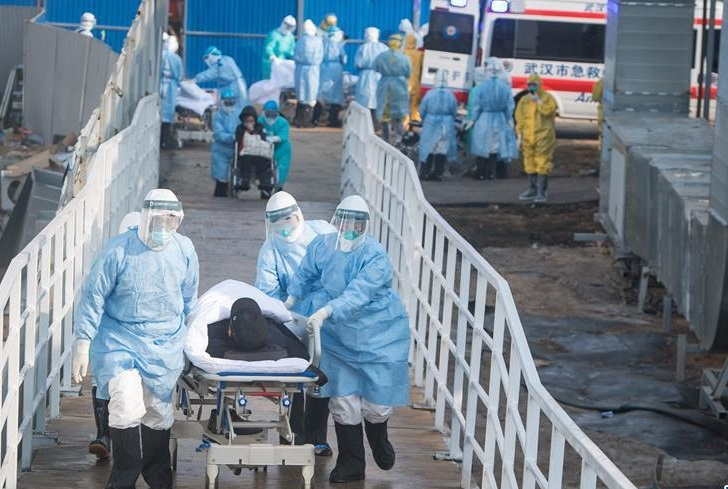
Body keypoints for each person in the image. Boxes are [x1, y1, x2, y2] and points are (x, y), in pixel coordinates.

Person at [72, 189, 199, 489]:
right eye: (158, 220)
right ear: (145, 218)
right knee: (125, 405)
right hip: (120, 341)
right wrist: (83, 342)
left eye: (170, 221)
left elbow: (189, 298)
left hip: (165, 344)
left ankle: (158, 476)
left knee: (158, 411)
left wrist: (192, 340)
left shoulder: (183, 249)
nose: (163, 227)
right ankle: (123, 477)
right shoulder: (118, 250)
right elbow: (93, 296)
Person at [286, 195, 410, 483]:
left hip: (377, 333)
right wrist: (290, 300)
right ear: (337, 221)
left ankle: (378, 438)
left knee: (376, 405)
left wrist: (326, 311)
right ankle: (351, 463)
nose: (350, 228)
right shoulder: (323, 246)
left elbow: (358, 294)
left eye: (357, 223)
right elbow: (306, 273)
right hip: (337, 336)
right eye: (345, 221)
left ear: (365, 225)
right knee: (342, 400)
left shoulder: (375, 257)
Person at [255, 191, 337, 455]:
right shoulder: (270, 251)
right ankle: (294, 434)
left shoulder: (322, 233)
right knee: (296, 375)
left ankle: (317, 437)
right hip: (294, 319)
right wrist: (286, 318)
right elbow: (268, 295)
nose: (284, 227)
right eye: (277, 221)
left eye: (288, 219)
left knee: (324, 376)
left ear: (299, 215)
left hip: (327, 315)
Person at [86, 211, 141, 461]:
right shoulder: (111, 258)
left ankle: (113, 437)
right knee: (103, 378)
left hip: (141, 336)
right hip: (111, 333)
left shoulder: (155, 263)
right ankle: (104, 436)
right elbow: (93, 295)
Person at [465, 58, 519, 181]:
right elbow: (509, 106)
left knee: (482, 146)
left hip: (484, 118)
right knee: (494, 147)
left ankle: (480, 173)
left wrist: (472, 120)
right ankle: (490, 173)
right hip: (500, 119)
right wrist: (509, 119)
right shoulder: (505, 88)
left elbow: (476, 106)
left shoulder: (481, 88)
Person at [515, 73, 557, 203]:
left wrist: (539, 102)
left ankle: (542, 191)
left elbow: (549, 112)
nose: (532, 87)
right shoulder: (524, 100)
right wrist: (519, 133)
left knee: (542, 162)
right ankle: (532, 189)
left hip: (543, 136)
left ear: (539, 84)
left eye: (534, 84)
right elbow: (520, 117)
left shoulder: (547, 98)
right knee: (529, 162)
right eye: (529, 85)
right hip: (528, 136)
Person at [418, 70, 457, 181]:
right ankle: (438, 173)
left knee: (428, 148)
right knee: (442, 149)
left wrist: (425, 119)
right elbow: (454, 111)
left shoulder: (430, 94)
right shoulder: (451, 95)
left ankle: (425, 173)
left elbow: (422, 110)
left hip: (431, 124)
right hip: (446, 126)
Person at [373, 35, 412, 145]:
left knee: (385, 112)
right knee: (399, 112)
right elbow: (408, 72)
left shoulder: (381, 56)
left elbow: (375, 68)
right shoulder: (404, 58)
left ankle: (386, 138)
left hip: (385, 85)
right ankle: (399, 138)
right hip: (400, 86)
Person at [235, 105, 274, 200]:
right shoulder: (240, 128)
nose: (249, 122)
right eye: (247, 120)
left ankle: (264, 181)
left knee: (261, 159)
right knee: (246, 160)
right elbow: (238, 139)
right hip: (245, 152)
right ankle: (245, 180)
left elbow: (263, 139)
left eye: (251, 120)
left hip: (258, 151)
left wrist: (253, 131)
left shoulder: (260, 127)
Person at [314, 27, 347, 127]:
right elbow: (344, 59)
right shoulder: (338, 45)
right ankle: (332, 120)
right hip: (336, 69)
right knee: (336, 95)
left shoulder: (323, 43)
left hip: (323, 68)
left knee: (321, 93)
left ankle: (315, 118)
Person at [293, 20, 324, 128]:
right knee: (311, 94)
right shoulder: (318, 41)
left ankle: (298, 119)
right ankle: (305, 120)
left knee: (301, 94)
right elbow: (320, 56)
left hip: (300, 70)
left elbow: (295, 55)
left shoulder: (300, 41)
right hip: (312, 70)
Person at [211, 88, 241, 197]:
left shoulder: (238, 114)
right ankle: (219, 197)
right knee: (221, 176)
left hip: (236, 149)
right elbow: (219, 133)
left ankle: (233, 193)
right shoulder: (218, 116)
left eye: (232, 102)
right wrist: (231, 137)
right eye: (227, 102)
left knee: (236, 175)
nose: (229, 105)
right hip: (221, 150)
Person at [354, 27, 388, 122]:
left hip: (365, 75)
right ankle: (376, 122)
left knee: (365, 99)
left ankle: (364, 122)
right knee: (377, 99)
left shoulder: (363, 47)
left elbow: (358, 63)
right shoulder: (384, 47)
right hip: (380, 75)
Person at [258, 100, 292, 192]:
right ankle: (265, 188)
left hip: (281, 150)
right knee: (265, 168)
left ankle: (279, 188)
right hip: (264, 149)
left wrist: (274, 138)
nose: (270, 115)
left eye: (272, 113)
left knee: (281, 169)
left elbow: (284, 136)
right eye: (268, 113)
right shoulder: (260, 120)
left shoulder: (283, 122)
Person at [160, 32, 183, 150]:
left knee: (159, 113)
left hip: (160, 86)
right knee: (168, 115)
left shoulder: (160, 56)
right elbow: (179, 76)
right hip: (171, 88)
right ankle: (165, 140)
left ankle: (161, 140)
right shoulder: (176, 59)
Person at [262, 15, 297, 80]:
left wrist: (295, 57)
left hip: (282, 64)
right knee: (270, 82)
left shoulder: (290, 37)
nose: (288, 29)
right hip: (270, 64)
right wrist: (272, 56)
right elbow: (268, 48)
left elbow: (291, 51)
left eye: (291, 28)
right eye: (287, 27)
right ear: (283, 24)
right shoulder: (274, 35)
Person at [403, 32, 424, 126]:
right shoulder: (419, 54)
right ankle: (415, 118)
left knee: (404, 103)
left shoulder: (402, 53)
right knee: (415, 102)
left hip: (404, 82)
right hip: (416, 81)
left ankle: (405, 122)